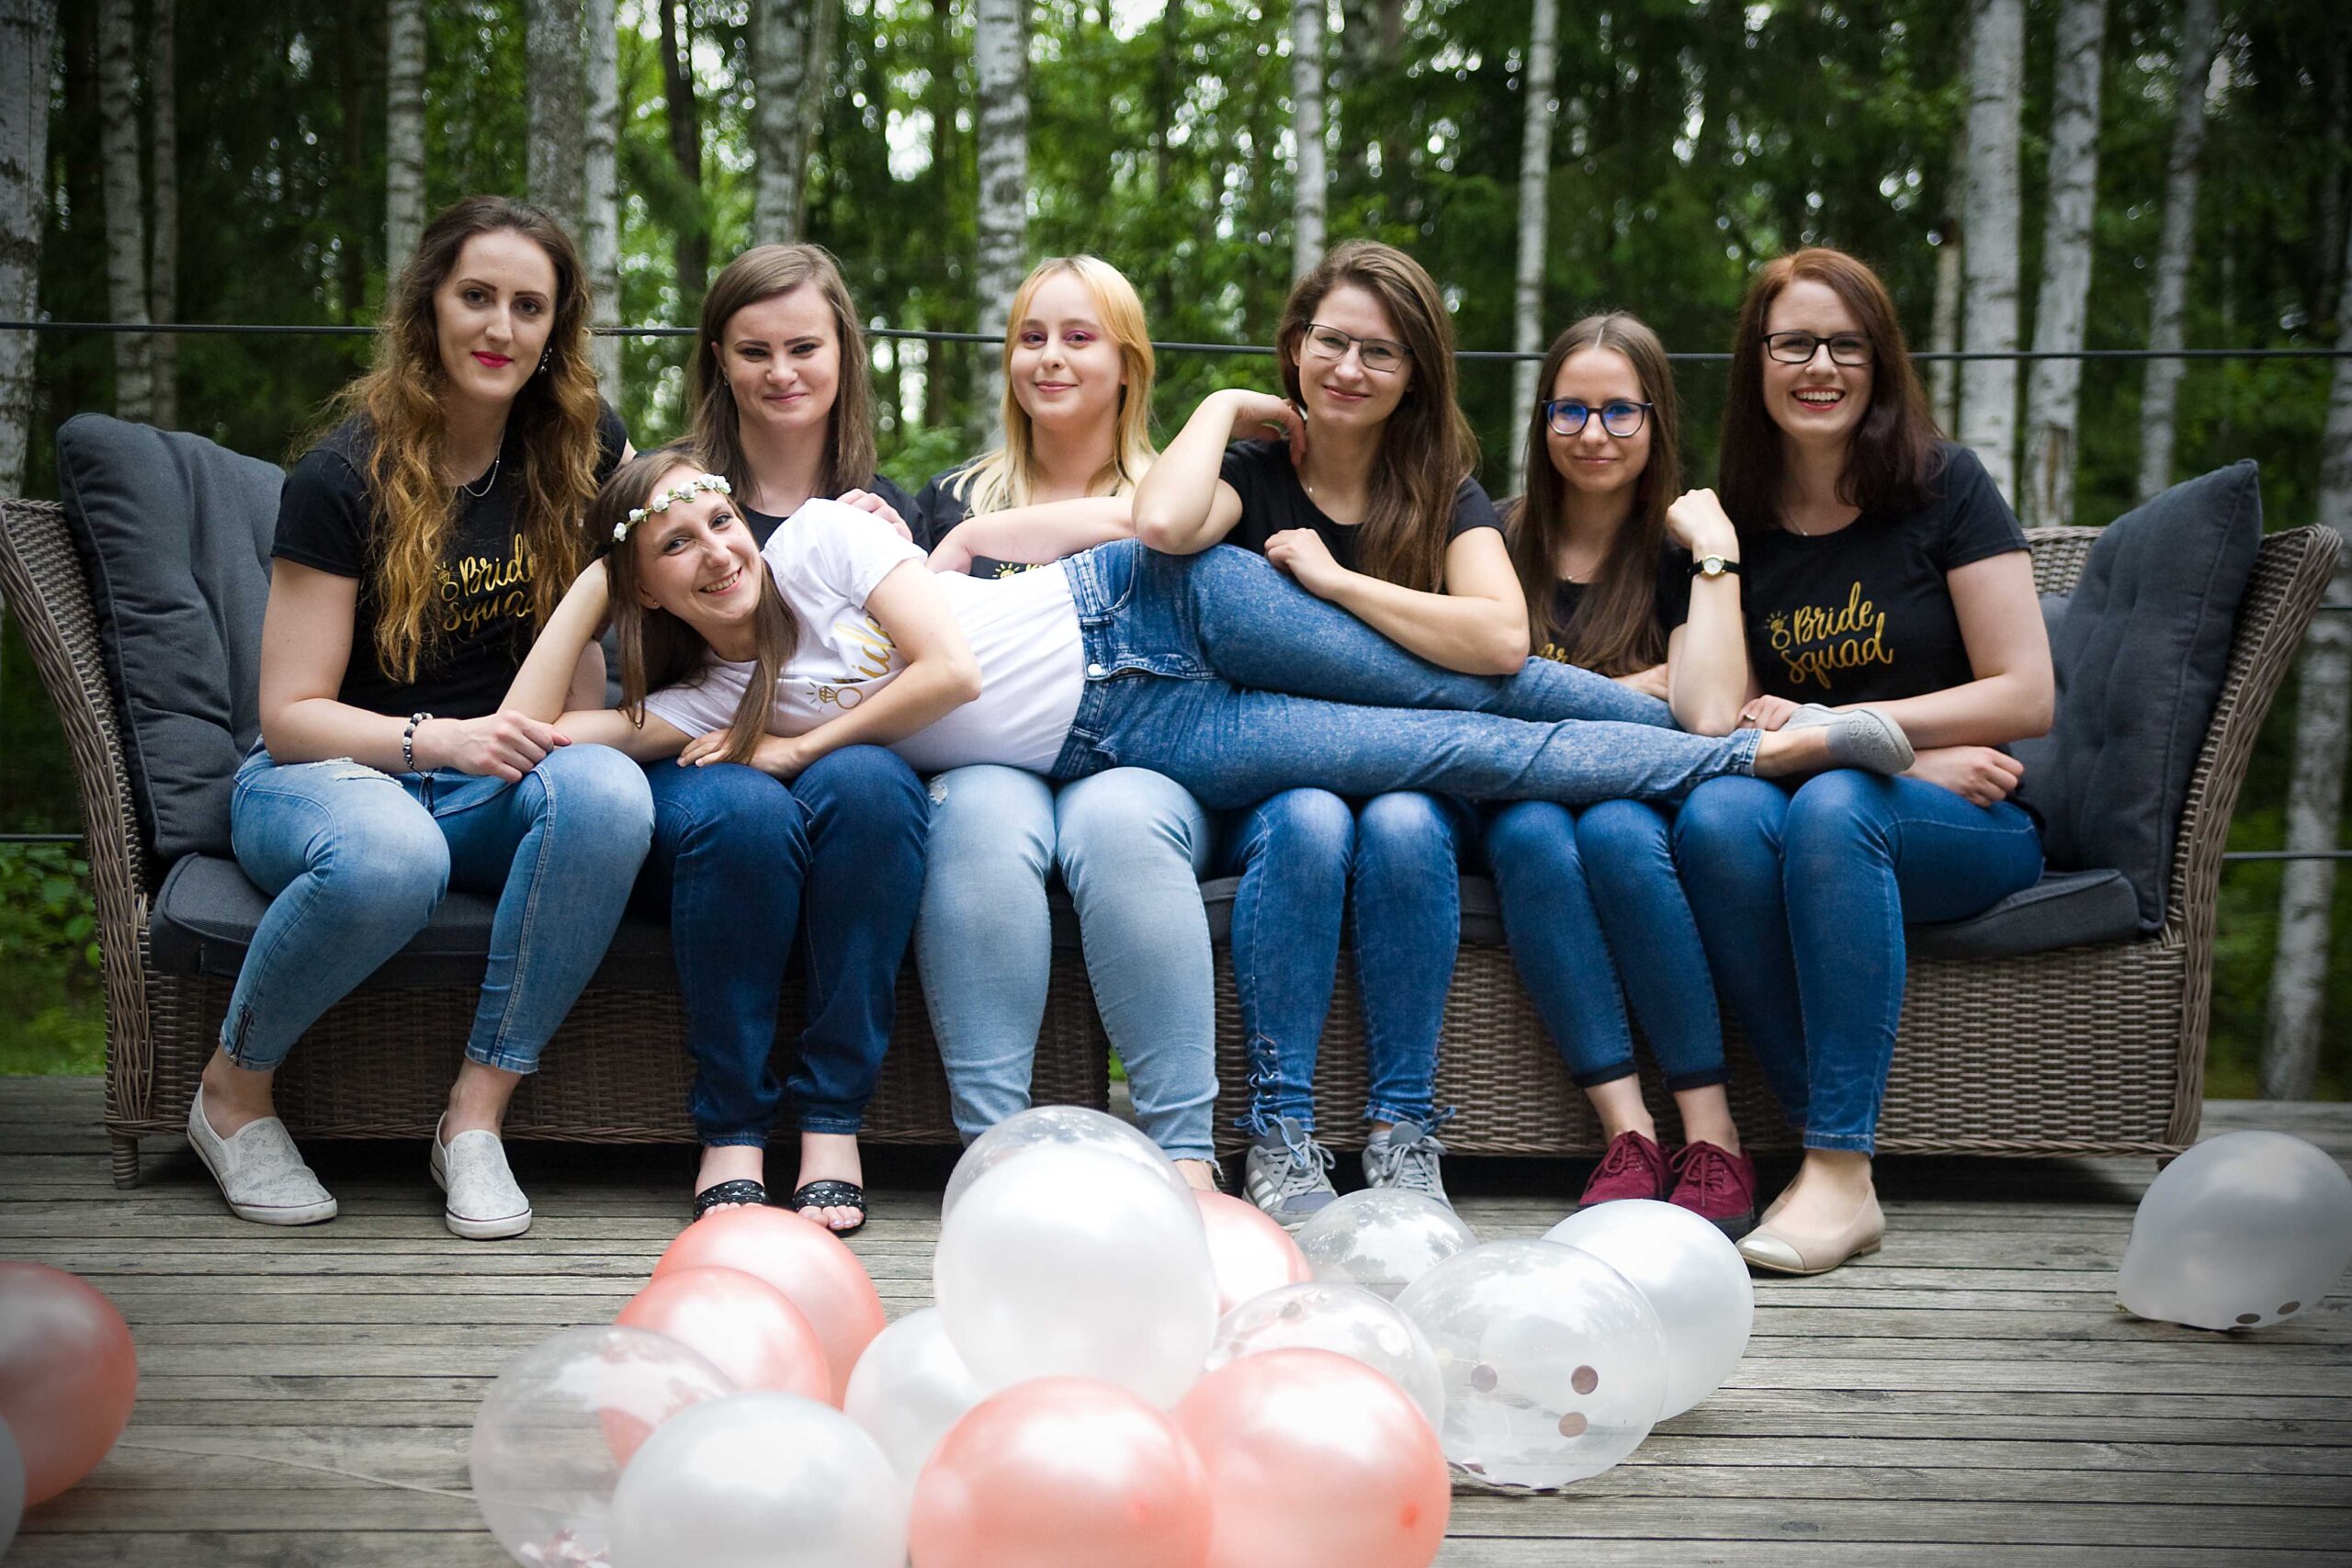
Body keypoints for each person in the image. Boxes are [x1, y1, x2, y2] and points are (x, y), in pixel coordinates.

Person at [499, 456, 1914, 1061]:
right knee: (1445, 752)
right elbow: (543, 731)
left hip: (1154, 604)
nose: (717, 551)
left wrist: (802, 744)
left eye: (716, 522)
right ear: (652, 588)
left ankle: (1718, 725)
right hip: (1136, 729)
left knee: (1464, 680)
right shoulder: (712, 696)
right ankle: (1744, 768)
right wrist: (588, 588)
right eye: (675, 548)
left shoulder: (816, 537)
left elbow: (949, 672)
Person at [189, 195, 650, 1239]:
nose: (500, 328)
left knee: (611, 793)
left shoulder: (580, 449)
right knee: (397, 854)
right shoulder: (338, 477)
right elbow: (289, 715)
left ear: (556, 328)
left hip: (488, 780)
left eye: (528, 306)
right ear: (429, 307)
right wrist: (437, 741)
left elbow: (581, 641)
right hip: (330, 777)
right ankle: (231, 1093)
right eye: (476, 296)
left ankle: (474, 1120)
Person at [1131, 241, 1535, 1225]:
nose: (1350, 369)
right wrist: (1222, 405)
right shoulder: (1253, 474)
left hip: (1413, 775)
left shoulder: (1443, 491)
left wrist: (1338, 582)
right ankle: (1280, 1133)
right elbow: (1161, 525)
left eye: (1380, 352)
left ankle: (1403, 1131)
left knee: (1403, 820)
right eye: (1331, 342)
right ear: (1296, 346)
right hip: (1277, 781)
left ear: (1415, 375)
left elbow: (1501, 638)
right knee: (1312, 816)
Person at [1672, 247, 2053, 1274]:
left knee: (1839, 802)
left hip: (1969, 819)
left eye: (1847, 345)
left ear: (1881, 363)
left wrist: (1850, 733)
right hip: (1847, 795)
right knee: (1713, 821)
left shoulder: (1945, 487)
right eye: (1793, 343)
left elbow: (2026, 693)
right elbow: (1719, 721)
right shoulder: (1739, 522)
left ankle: (1839, 1169)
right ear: (1756, 361)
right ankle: (1827, 1151)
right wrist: (1716, 553)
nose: (1820, 367)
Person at [909, 257, 1221, 1191]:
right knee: (978, 817)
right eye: (1031, 337)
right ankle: (993, 1157)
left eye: (1079, 338)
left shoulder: (1179, 496)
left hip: (1140, 760)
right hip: (988, 761)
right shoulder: (955, 501)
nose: (1049, 357)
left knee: (1117, 825)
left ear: (1128, 364)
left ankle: (1186, 1159)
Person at [648, 243, 933, 1232]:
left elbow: (920, 677)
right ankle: (731, 1129)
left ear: (843, 352)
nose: (781, 373)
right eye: (753, 350)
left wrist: (898, 539)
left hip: (837, 770)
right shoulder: (677, 502)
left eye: (803, 347)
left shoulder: (884, 510)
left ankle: (832, 1120)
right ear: (717, 361)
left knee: (872, 785)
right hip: (703, 761)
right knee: (744, 811)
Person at [1484, 312, 1763, 1236]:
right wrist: (1632, 687)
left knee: (1615, 828)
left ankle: (1712, 1134)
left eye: (1619, 411)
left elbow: (1708, 710)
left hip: (1636, 805)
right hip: (1517, 797)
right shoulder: (1497, 539)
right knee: (1529, 830)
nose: (1592, 434)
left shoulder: (1681, 552)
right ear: (1542, 421)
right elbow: (1470, 692)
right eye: (1569, 410)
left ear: (1655, 419)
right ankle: (1629, 1134)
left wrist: (1714, 545)